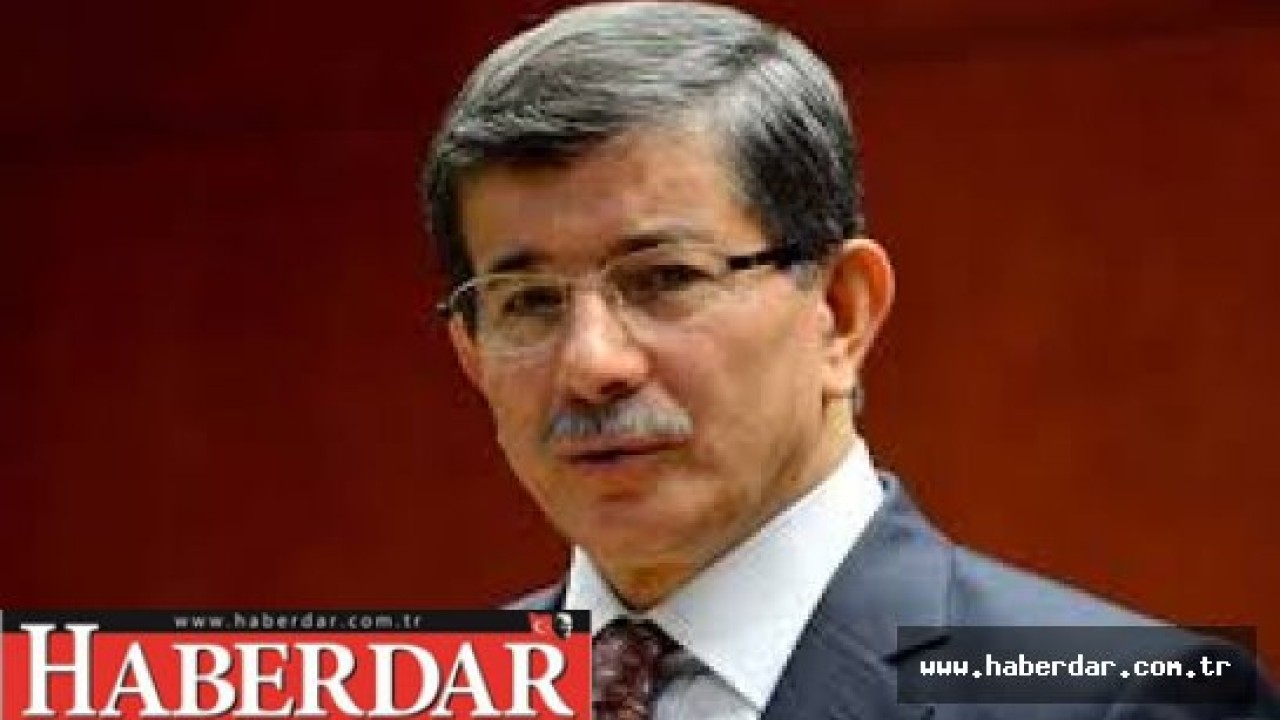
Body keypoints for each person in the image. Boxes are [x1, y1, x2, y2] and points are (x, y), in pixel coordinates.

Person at [421, 2, 1277, 718]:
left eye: (666, 278)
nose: (591, 364)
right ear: (471, 353)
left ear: (841, 312)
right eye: (528, 302)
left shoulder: (1125, 700)